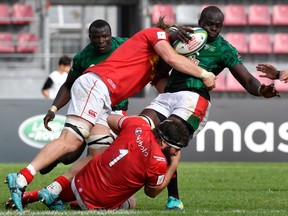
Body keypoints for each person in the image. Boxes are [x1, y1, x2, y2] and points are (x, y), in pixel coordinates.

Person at [5, 17, 216, 212]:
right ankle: (22, 178)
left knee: (99, 155)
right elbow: (170, 56)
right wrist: (204, 74)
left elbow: (167, 87)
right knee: (70, 143)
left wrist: (192, 89)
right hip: (97, 85)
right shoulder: (154, 34)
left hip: (106, 100)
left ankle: (52, 190)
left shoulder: (154, 66)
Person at [140, 6, 280, 211]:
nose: (214, 29)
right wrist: (171, 36)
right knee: (140, 129)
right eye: (209, 24)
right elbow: (161, 64)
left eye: (218, 25)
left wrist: (261, 90)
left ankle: (173, 198)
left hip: (195, 99)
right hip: (168, 95)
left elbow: (248, 81)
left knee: (168, 142)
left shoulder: (225, 49)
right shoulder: (186, 35)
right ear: (200, 21)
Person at [13, 114, 191, 211]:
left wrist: (124, 138)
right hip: (96, 204)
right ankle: (74, 203)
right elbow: (152, 193)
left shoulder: (138, 125)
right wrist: (173, 165)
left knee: (95, 170)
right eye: (177, 148)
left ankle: (32, 195)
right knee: (132, 203)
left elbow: (110, 119)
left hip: (79, 182)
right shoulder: (159, 162)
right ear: (164, 143)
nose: (176, 152)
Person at [38, 19, 129, 175]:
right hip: (92, 108)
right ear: (90, 37)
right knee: (71, 156)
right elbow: (68, 85)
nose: (101, 41)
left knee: (100, 157)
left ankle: (76, 191)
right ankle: (57, 159)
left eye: (105, 36)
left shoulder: (124, 45)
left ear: (111, 35)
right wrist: (53, 109)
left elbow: (151, 42)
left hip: (116, 110)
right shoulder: (82, 58)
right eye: (96, 37)